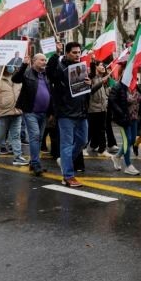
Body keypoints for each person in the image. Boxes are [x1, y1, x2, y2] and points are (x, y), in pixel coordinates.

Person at [47, 42, 91, 187]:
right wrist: (55, 53)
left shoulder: (81, 68)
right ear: (66, 53)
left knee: (82, 141)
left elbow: (83, 93)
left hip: (81, 113)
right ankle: (68, 176)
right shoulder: (60, 67)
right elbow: (50, 72)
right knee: (66, 145)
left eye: (79, 52)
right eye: (74, 52)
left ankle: (65, 162)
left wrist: (88, 84)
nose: (77, 55)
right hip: (66, 113)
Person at [12, 53, 52, 176]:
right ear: (34, 61)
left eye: (45, 60)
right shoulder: (27, 73)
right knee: (35, 136)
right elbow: (15, 79)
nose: (44, 62)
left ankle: (34, 161)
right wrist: (23, 65)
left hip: (44, 113)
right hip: (31, 112)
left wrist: (51, 112)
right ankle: (35, 164)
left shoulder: (46, 75)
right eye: (41, 60)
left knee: (39, 138)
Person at [0, 65, 26, 167]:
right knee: (0, 135)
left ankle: (17, 157)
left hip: (17, 111)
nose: (11, 67)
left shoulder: (17, 78)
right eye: (8, 65)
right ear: (3, 66)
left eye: (12, 65)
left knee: (16, 135)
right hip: (2, 112)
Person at [108, 80, 141, 175]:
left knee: (132, 140)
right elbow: (112, 100)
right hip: (123, 119)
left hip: (134, 117)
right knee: (127, 140)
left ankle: (117, 156)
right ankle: (128, 165)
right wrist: (121, 113)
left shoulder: (135, 85)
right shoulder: (119, 86)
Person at [87, 62, 113, 158]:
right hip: (93, 108)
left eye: (103, 65)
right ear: (96, 67)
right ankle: (83, 147)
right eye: (101, 65)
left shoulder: (102, 79)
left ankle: (102, 149)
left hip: (102, 108)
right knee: (90, 129)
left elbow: (104, 93)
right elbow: (91, 90)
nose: (103, 67)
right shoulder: (91, 78)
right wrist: (101, 82)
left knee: (102, 130)